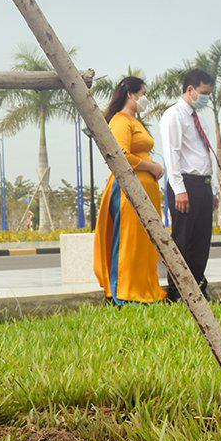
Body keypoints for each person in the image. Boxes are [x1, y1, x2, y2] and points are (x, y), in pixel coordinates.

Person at [94, 77, 165, 304]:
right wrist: (151, 166)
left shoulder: (135, 121)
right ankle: (122, 294)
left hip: (145, 190)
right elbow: (121, 154)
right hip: (128, 190)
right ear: (131, 95)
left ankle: (145, 291)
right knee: (128, 242)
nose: (145, 98)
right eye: (143, 93)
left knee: (144, 243)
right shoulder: (120, 121)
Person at [159, 68, 217, 301]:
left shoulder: (199, 117)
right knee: (183, 239)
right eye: (203, 93)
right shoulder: (174, 115)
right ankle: (176, 291)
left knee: (201, 240)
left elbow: (203, 154)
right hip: (185, 184)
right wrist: (179, 189)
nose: (206, 98)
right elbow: (171, 154)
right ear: (190, 89)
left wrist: (210, 186)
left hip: (202, 184)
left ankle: (198, 287)